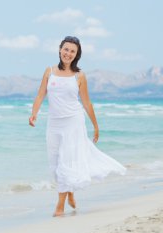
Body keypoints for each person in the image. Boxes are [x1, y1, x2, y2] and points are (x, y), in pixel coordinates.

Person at [29, 36, 127, 217]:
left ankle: (60, 206)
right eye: (66, 49)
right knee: (55, 164)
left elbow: (87, 102)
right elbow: (40, 95)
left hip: (73, 123)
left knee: (66, 162)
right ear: (60, 50)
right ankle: (70, 191)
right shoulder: (49, 71)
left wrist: (96, 126)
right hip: (54, 124)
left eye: (72, 51)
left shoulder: (79, 76)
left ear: (76, 55)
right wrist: (34, 113)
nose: (68, 53)